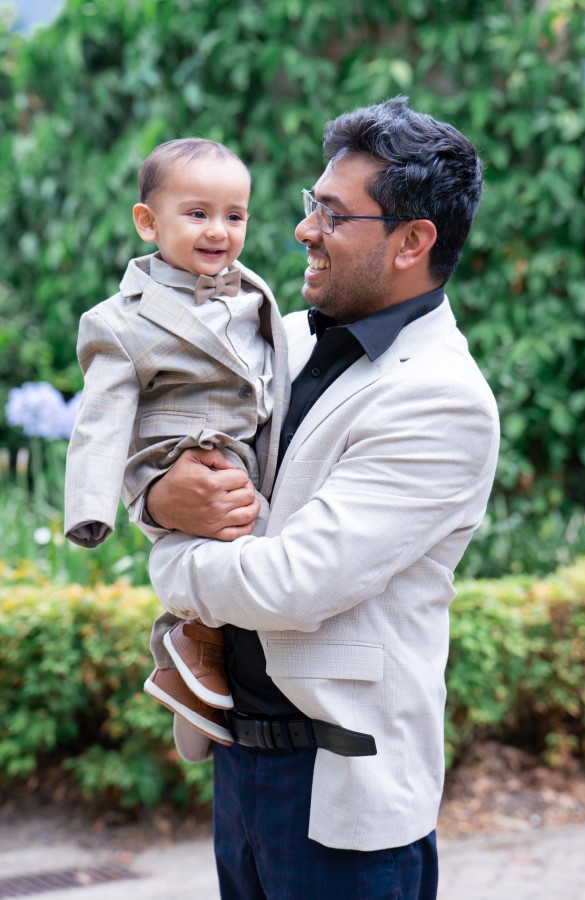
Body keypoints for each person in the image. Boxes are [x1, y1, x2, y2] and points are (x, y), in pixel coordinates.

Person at [137, 96, 500, 899]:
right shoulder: (282, 338)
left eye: (334, 214)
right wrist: (160, 500)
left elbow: (293, 585)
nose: (305, 228)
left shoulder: (441, 398)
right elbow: (164, 450)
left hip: (339, 789)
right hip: (237, 765)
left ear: (412, 242)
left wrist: (169, 560)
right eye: (313, 203)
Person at [64, 138, 289, 746]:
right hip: (178, 457)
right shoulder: (119, 320)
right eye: (197, 213)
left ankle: (190, 672)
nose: (218, 230)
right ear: (148, 222)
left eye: (234, 215)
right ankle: (186, 646)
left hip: (247, 457)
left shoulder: (254, 294)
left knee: (249, 546)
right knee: (253, 543)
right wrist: (92, 508)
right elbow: (101, 419)